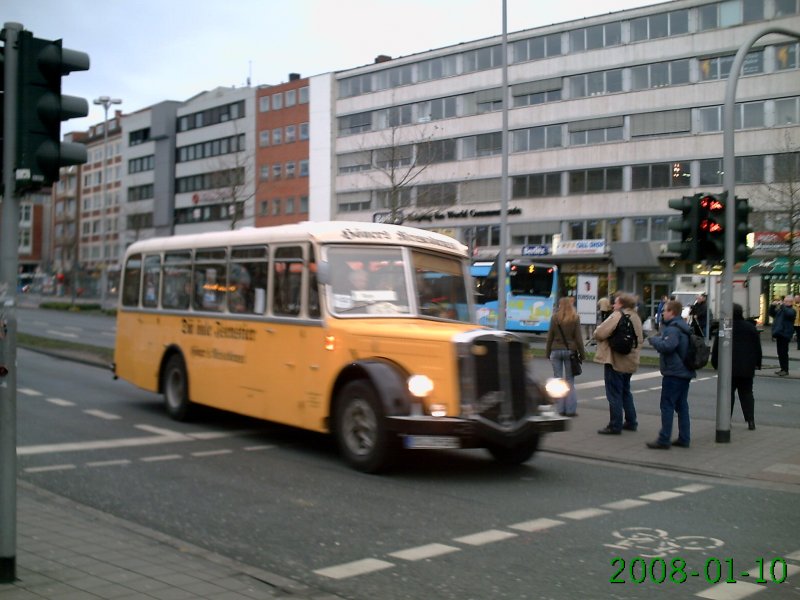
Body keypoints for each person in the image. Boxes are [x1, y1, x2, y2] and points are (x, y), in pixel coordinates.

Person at [645, 299, 695, 449]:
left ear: (672, 312)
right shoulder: (683, 326)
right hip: (684, 371)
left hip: (674, 372)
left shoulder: (673, 328)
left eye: (665, 310)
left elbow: (668, 346)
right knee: (681, 406)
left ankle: (664, 439)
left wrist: (654, 340)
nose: (663, 313)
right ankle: (684, 438)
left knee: (667, 406)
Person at [593, 292, 644, 435]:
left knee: (613, 393)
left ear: (621, 304)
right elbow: (639, 339)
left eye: (615, 303)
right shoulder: (636, 317)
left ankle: (615, 425)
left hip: (615, 359)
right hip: (630, 360)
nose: (613, 305)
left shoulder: (617, 315)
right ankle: (631, 421)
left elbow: (600, 333)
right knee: (625, 392)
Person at [711, 303, 761, 430]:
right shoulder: (750, 327)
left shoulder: (726, 327)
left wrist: (715, 362)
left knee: (728, 394)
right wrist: (757, 363)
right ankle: (751, 420)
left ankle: (726, 420)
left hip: (729, 367)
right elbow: (757, 347)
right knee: (747, 393)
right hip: (746, 367)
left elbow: (717, 347)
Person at [545, 297, 586, 417]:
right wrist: (582, 354)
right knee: (569, 382)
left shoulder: (555, 318)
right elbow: (578, 338)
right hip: (570, 351)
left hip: (555, 351)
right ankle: (570, 410)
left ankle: (560, 409)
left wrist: (547, 353)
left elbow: (549, 337)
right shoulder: (575, 318)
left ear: (559, 305)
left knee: (558, 380)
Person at [770, 295, 796, 376]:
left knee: (783, 352)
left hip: (785, 333)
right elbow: (772, 314)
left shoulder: (792, 310)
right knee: (780, 352)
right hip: (780, 333)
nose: (783, 303)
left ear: (790, 302)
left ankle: (785, 369)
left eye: (785, 301)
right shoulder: (781, 310)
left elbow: (789, 314)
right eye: (784, 301)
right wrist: (772, 306)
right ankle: (782, 368)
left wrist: (782, 306)